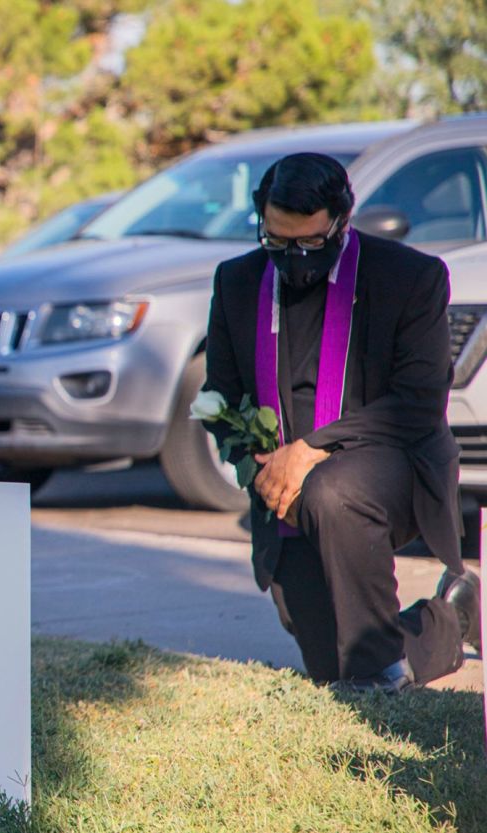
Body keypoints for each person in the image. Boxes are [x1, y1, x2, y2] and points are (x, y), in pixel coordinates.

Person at [203, 152, 481, 693]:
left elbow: (418, 403)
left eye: (310, 244)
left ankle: (376, 681)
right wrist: (257, 463)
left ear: (342, 222)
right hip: (286, 486)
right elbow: (221, 395)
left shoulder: (410, 277)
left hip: (393, 466)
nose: (294, 260)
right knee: (330, 660)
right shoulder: (237, 281)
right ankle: (450, 620)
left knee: (332, 490)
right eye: (277, 243)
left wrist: (309, 451)